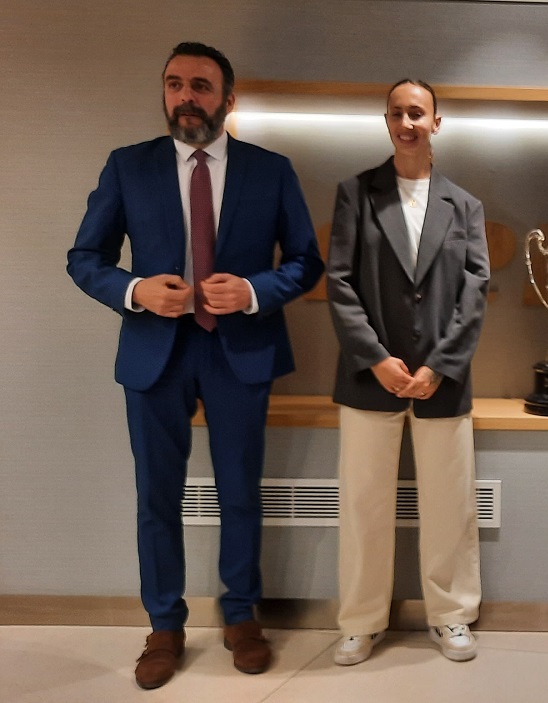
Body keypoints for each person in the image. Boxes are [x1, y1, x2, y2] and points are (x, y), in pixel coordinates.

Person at [66, 42, 324, 689]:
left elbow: (305, 260)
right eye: (176, 84)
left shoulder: (271, 170)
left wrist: (256, 290)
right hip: (156, 350)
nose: (187, 97)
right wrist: (135, 290)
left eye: (202, 86)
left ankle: (241, 615)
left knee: (241, 489)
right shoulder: (129, 167)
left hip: (241, 348)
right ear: (164, 94)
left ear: (227, 100)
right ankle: (164, 623)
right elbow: (85, 257)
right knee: (157, 496)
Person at [326, 79, 489, 666]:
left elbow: (475, 293)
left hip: (442, 379)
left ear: (436, 122)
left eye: (416, 112)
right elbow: (339, 283)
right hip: (370, 377)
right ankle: (360, 621)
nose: (407, 122)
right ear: (387, 122)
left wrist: (439, 366)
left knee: (450, 504)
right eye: (396, 112)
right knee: (364, 504)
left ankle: (451, 616)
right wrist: (375, 357)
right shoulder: (356, 193)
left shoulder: (464, 205)